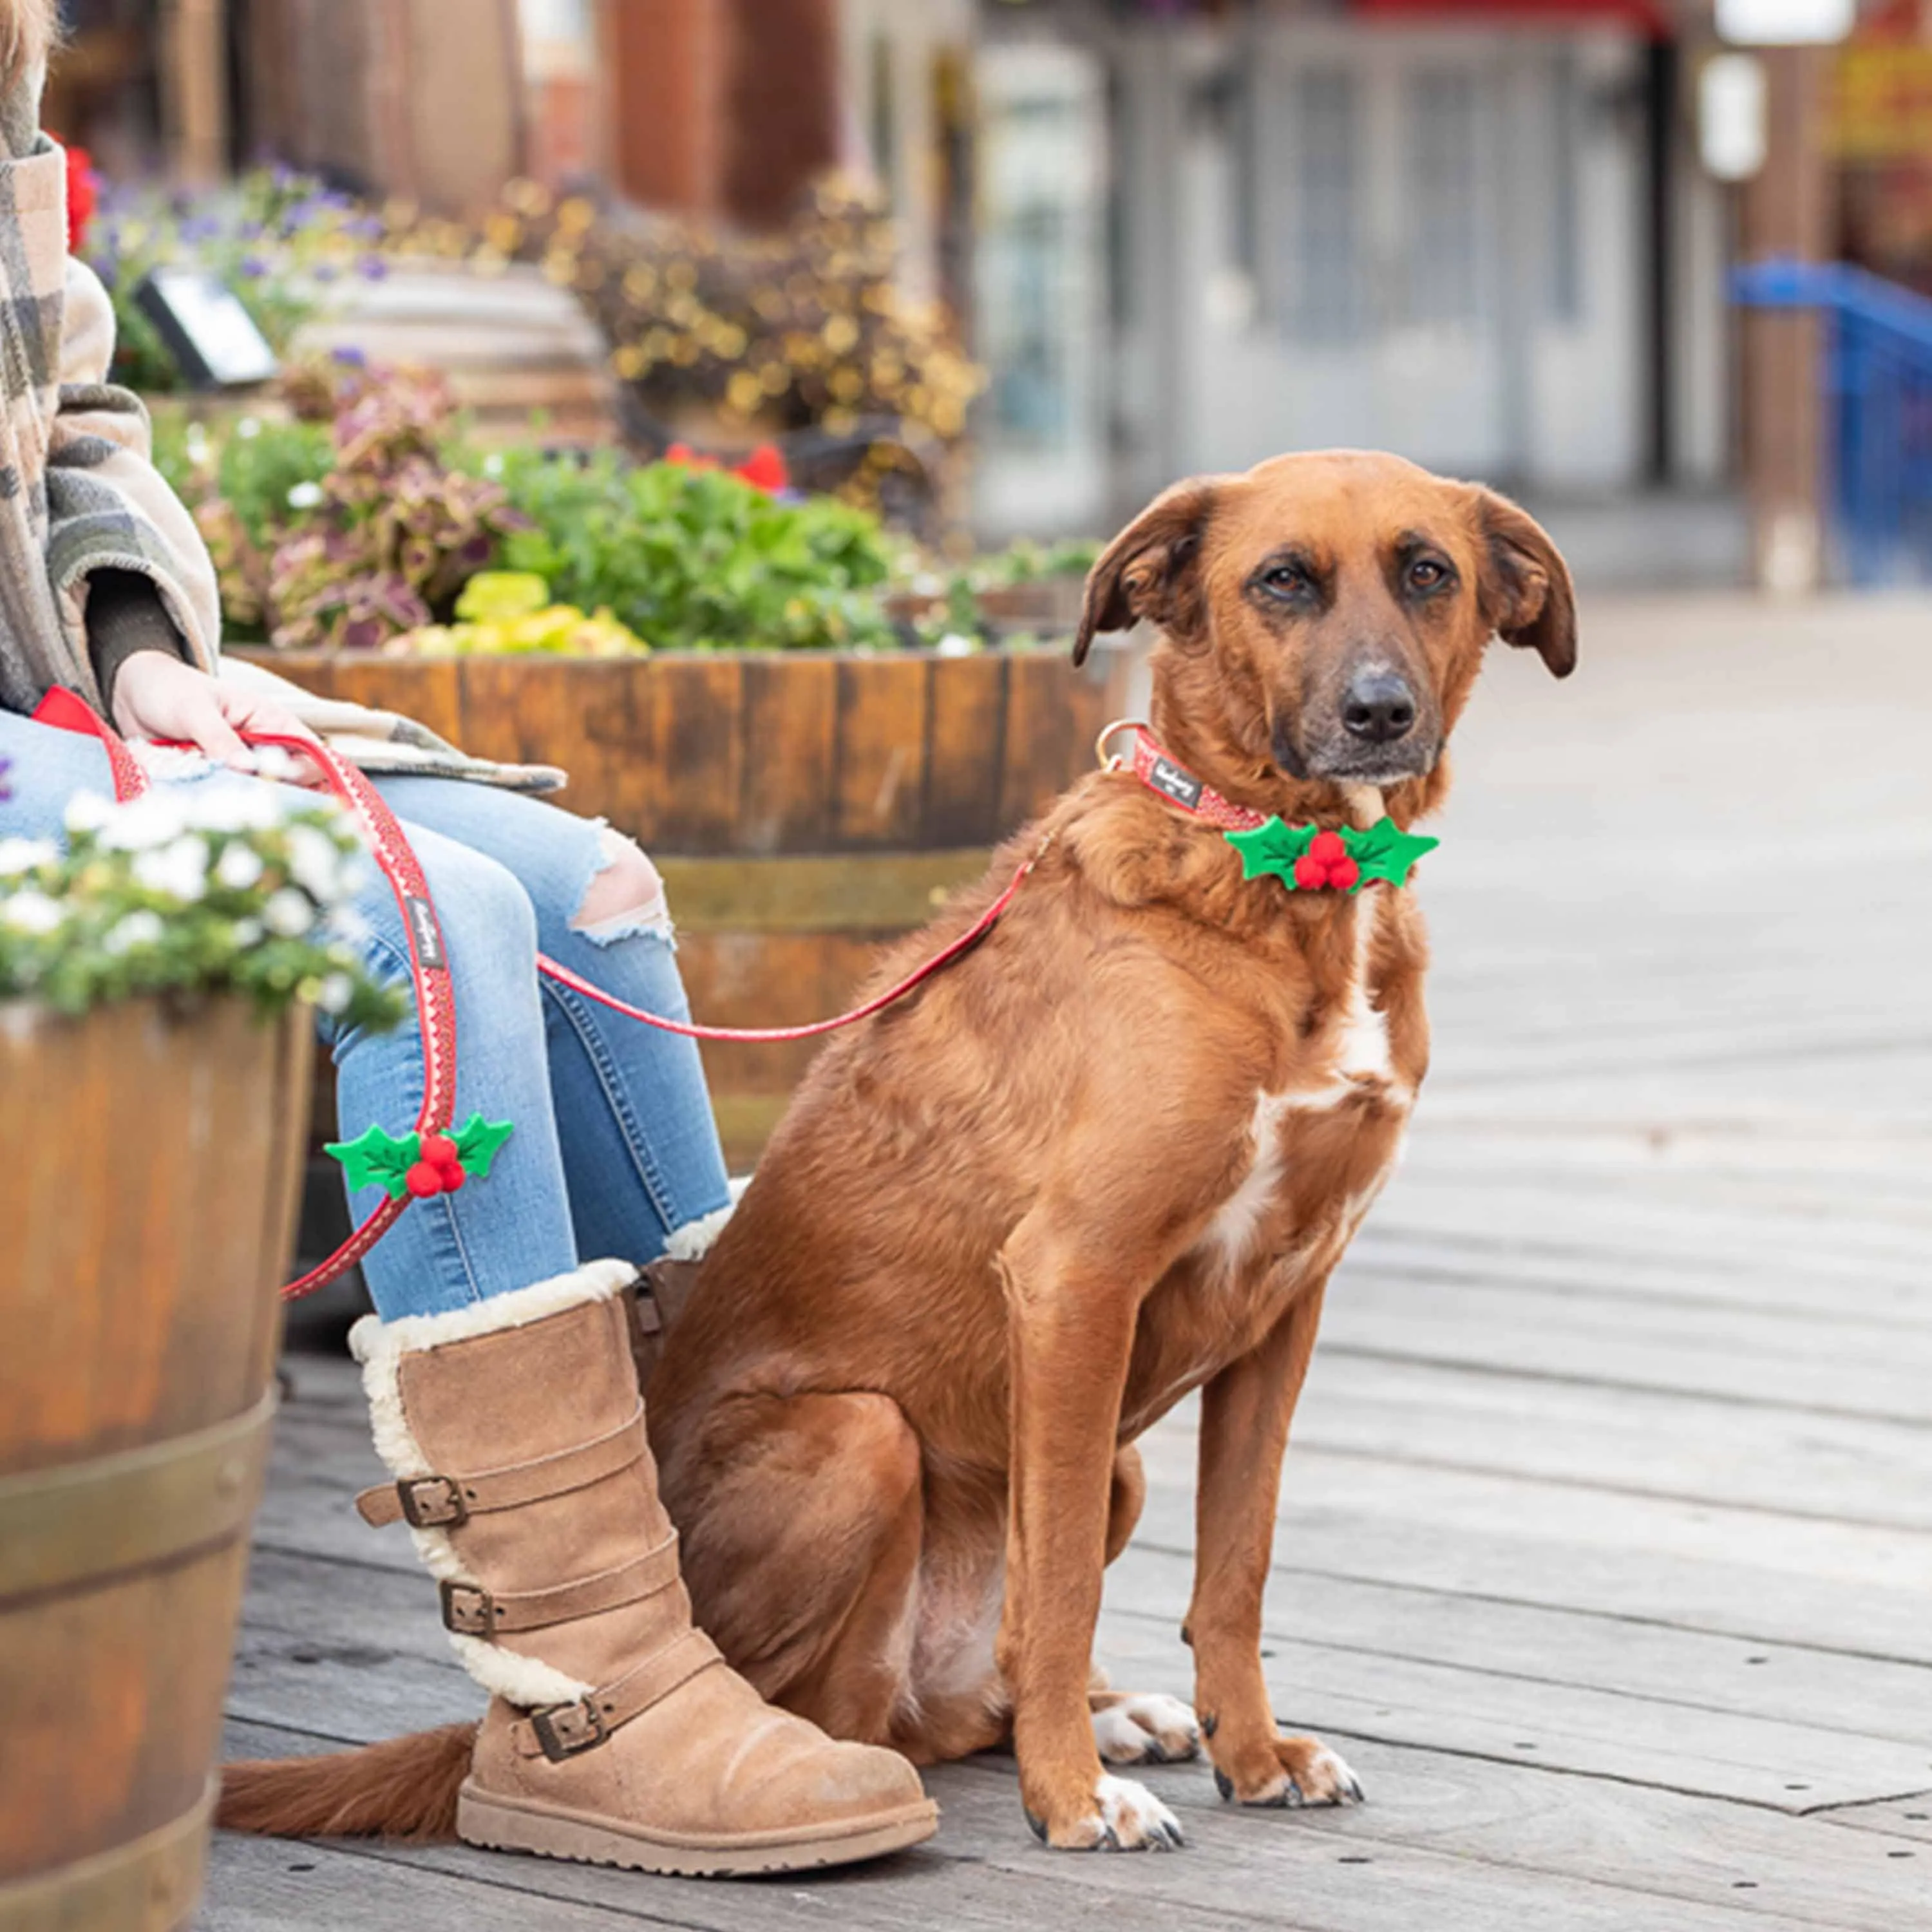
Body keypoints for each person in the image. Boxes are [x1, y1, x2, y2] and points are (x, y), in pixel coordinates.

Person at [0, 0, 934, 1877]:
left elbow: (74, 421)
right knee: (414, 920)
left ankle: (749, 1600)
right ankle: (584, 1696)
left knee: (579, 889)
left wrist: (141, 660)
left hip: (44, 713)